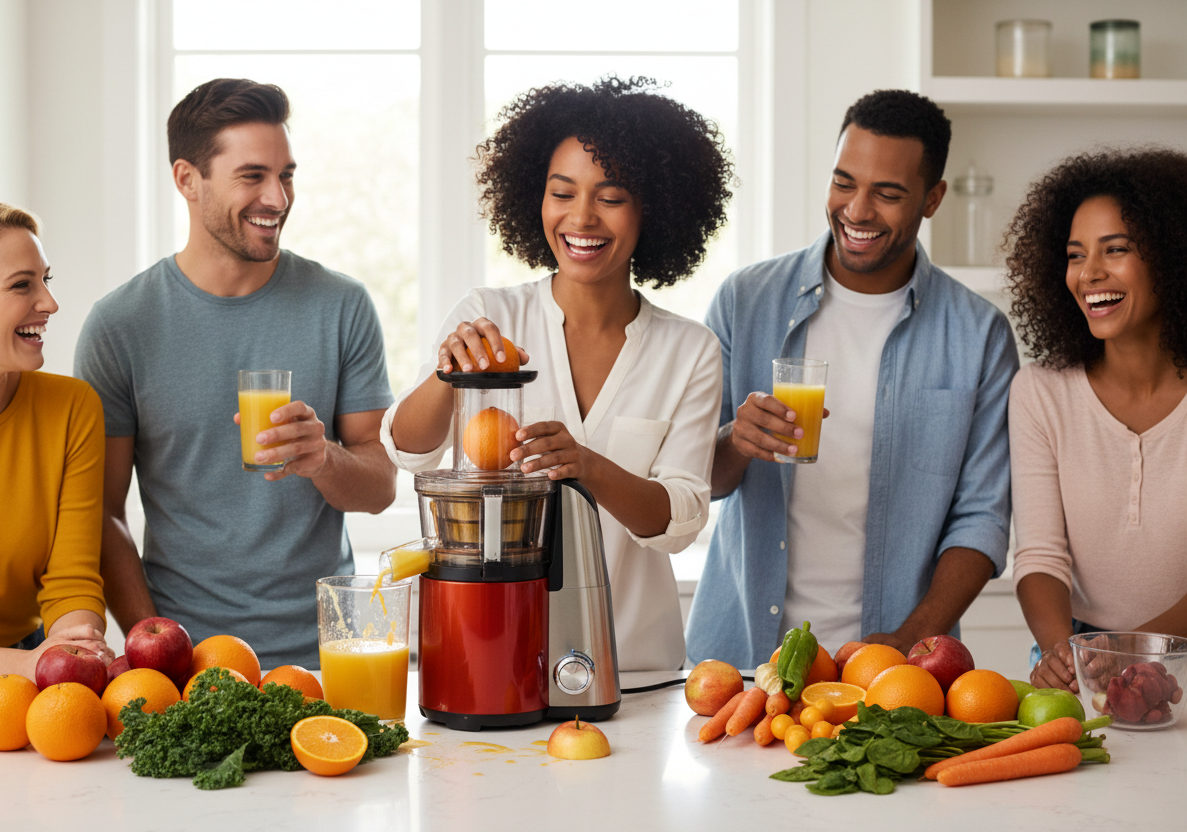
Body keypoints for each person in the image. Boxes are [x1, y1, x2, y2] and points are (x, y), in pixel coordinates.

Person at [381, 77, 734, 670]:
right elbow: (407, 450)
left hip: (635, 664)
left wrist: (588, 465)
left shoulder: (690, 350)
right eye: (561, 192)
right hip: (494, 652)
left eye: (612, 197)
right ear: (534, 199)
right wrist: (450, 372)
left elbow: (678, 521)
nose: (582, 218)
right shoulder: (490, 316)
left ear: (656, 208)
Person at [687, 89, 1020, 668]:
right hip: (738, 660)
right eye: (844, 183)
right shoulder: (745, 301)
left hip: (896, 669)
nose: (858, 210)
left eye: (888, 194)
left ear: (933, 198)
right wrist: (735, 442)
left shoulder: (979, 335)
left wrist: (909, 640)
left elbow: (982, 519)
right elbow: (694, 485)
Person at [75, 79, 396, 669]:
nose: (277, 197)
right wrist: (154, 644)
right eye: (253, 176)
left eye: (287, 175)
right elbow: (102, 513)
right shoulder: (121, 325)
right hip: (188, 660)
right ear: (186, 180)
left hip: (330, 656)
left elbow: (380, 487)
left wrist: (323, 457)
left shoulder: (342, 305)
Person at [1005, 148, 1187, 692]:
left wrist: (1132, 654)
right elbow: (1039, 552)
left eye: (1117, 250)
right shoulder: (1041, 393)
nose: (1090, 274)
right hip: (1079, 650)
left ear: (1173, 255)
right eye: (1075, 254)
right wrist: (1068, 655)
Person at [0, 198, 112, 687]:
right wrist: (30, 665)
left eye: (45, 281)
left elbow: (72, 579)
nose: (50, 303)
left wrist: (76, 644)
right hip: (14, 668)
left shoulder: (71, 408)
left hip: (26, 666)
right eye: (22, 285)